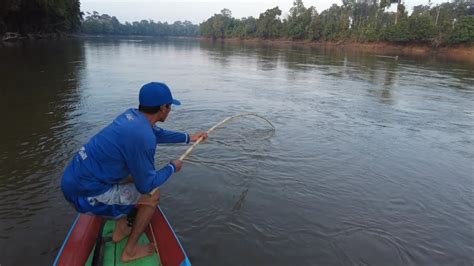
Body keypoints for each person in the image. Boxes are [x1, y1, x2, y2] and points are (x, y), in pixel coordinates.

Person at [60, 82, 208, 262]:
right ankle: (129, 251)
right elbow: (147, 185)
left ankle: (121, 228)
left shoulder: (132, 116)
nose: (170, 110)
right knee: (152, 194)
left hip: (74, 178)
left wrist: (188, 137)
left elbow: (157, 133)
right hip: (84, 194)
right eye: (170, 106)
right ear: (162, 108)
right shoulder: (144, 138)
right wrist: (172, 167)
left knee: (133, 176)